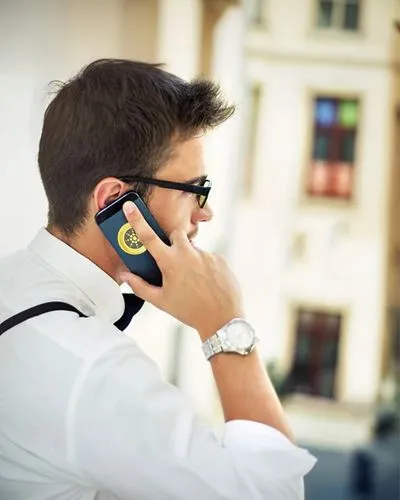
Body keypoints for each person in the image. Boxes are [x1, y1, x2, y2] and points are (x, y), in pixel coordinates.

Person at [0, 59, 316, 499]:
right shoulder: (94, 374)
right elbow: (271, 492)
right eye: (196, 189)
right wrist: (226, 326)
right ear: (117, 202)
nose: (206, 212)